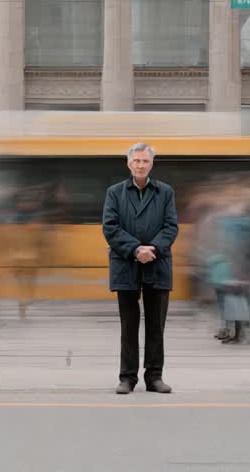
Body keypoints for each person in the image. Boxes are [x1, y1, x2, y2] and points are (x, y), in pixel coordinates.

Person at [103, 142, 178, 395]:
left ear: (152, 164)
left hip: (157, 264)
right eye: (136, 161)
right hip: (126, 265)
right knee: (129, 325)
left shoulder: (165, 192)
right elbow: (110, 227)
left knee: (156, 325)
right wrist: (136, 250)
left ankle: (155, 377)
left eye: (145, 161)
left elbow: (170, 227)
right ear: (128, 163)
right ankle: (127, 378)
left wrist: (152, 250)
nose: (140, 165)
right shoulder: (115, 192)